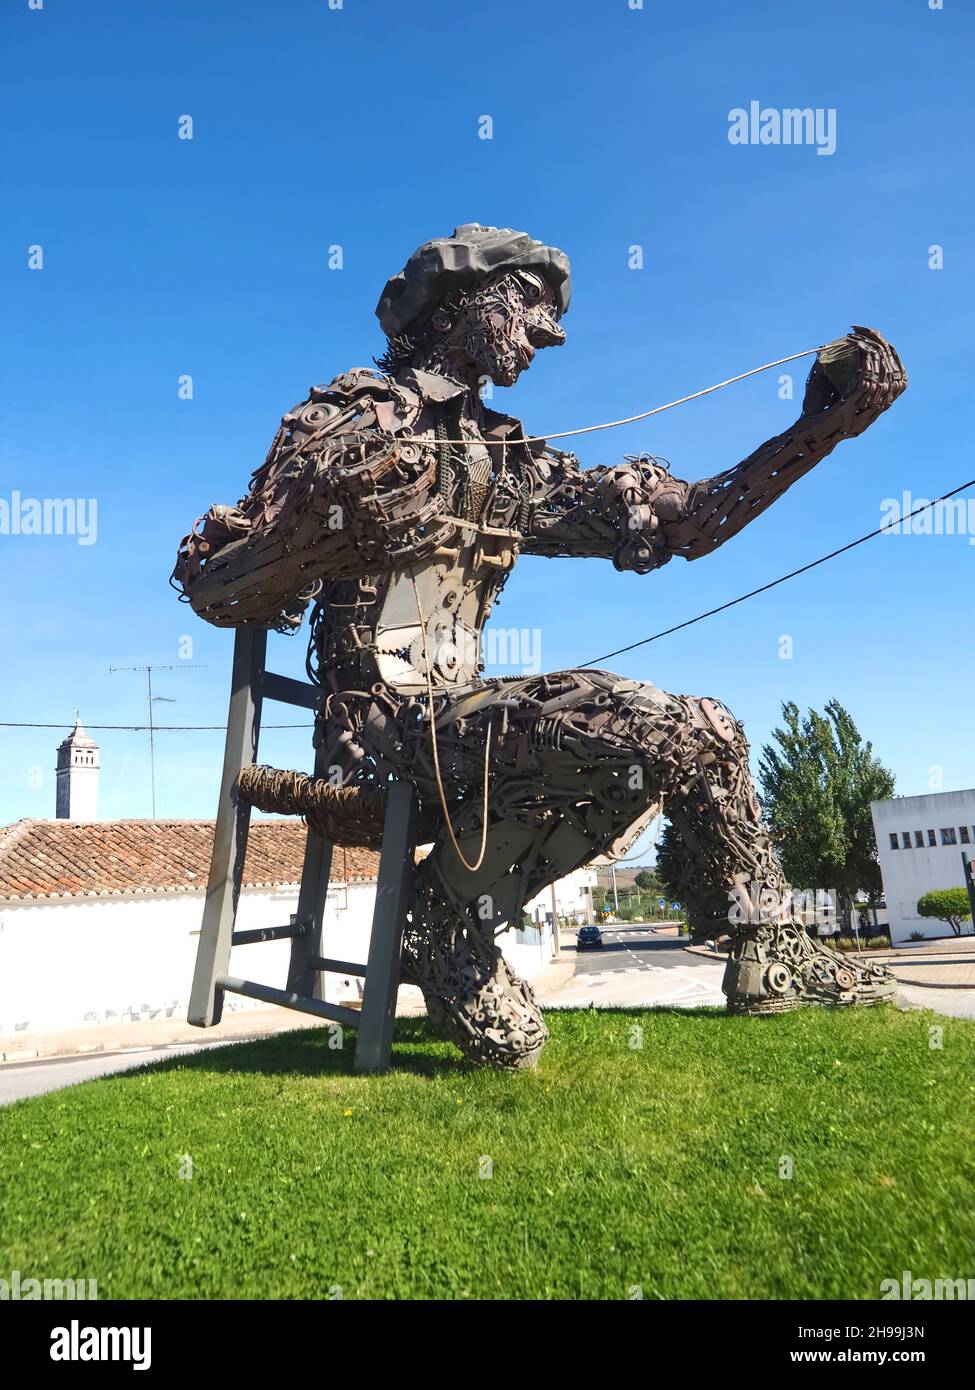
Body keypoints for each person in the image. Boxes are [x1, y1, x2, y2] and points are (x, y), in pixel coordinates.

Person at [174, 224, 906, 1068]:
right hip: (375, 735)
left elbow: (689, 524)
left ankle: (763, 950)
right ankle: (446, 924)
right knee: (650, 725)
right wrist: (316, 530)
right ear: (460, 303)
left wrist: (819, 428)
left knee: (703, 729)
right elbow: (212, 585)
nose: (551, 331)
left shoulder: (510, 463)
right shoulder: (345, 425)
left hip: (460, 723)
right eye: (529, 303)